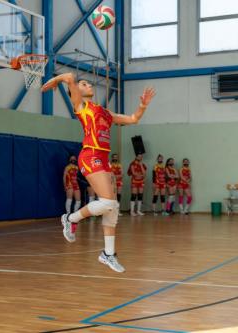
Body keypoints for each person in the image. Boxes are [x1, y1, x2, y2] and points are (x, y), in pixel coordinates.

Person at [41, 73, 155, 272]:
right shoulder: (81, 107)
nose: (87, 85)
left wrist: (143, 106)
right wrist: (57, 80)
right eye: (83, 84)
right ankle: (70, 219)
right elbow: (69, 77)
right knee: (109, 202)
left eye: (87, 83)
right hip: (90, 155)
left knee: (113, 207)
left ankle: (108, 254)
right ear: (77, 92)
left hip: (103, 158)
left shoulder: (104, 112)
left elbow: (133, 119)